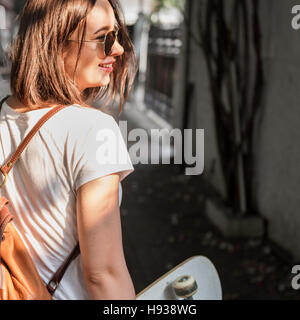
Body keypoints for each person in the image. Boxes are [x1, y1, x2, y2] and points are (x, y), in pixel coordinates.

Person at [0, 0, 137, 300]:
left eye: (117, 36)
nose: (118, 50)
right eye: (104, 38)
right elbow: (104, 275)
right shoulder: (94, 130)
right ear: (56, 43)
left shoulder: (3, 113)